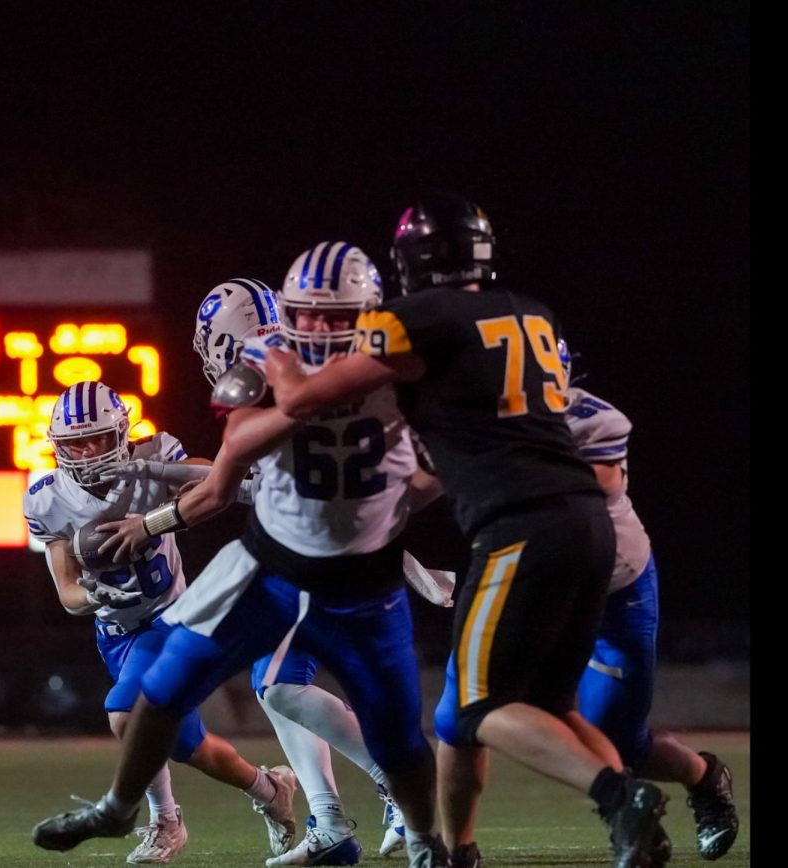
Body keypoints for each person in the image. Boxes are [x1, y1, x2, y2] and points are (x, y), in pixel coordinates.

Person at [262, 196, 671, 868]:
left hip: (519, 528)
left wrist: (273, 353)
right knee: (550, 707)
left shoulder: (413, 317)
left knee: (477, 711)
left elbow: (308, 399)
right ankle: (630, 823)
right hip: (588, 525)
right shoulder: (530, 311)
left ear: (409, 261)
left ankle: (619, 795)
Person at [32, 243, 450, 868]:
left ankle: (420, 836)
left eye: (324, 315)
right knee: (192, 683)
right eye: (306, 314)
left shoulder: (380, 363)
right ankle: (129, 809)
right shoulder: (290, 365)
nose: (314, 328)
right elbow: (231, 469)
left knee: (387, 729)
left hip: (350, 568)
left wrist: (389, 517)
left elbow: (423, 475)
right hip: (278, 561)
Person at [23, 380, 297, 864]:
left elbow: (220, 480)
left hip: (169, 618)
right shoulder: (47, 497)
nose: (86, 453)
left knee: (126, 715)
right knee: (187, 746)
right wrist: (93, 593)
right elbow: (66, 591)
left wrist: (155, 472)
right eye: (74, 442)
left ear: (123, 433)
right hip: (114, 633)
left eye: (97, 439)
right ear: (56, 445)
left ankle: (166, 822)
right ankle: (269, 788)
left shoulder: (156, 456)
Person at [190, 277, 410, 864]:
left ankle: (397, 780)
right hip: (324, 550)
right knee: (273, 687)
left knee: (279, 684)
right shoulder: (304, 364)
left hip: (323, 560)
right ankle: (331, 820)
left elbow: (221, 490)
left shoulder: (268, 372)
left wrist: (151, 520)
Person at [560, 340, 738, 862]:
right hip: (540, 589)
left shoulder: (590, 420)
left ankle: (704, 779)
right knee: (489, 709)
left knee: (616, 739)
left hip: (613, 590)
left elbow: (589, 490)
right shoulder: (482, 419)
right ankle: (446, 845)